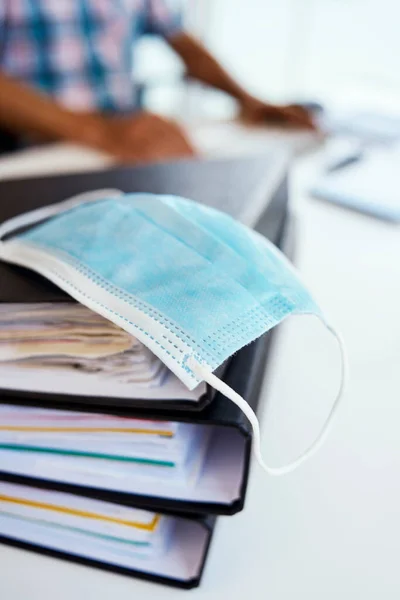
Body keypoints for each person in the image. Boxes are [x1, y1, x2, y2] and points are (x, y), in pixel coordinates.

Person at [0, 0, 315, 162]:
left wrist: (248, 101)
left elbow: (184, 44)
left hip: (120, 148)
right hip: (31, 152)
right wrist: (97, 130)